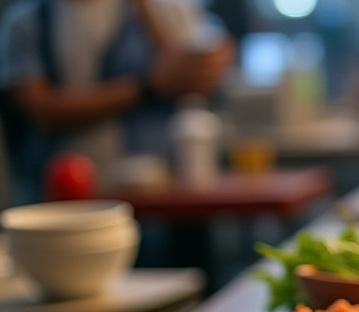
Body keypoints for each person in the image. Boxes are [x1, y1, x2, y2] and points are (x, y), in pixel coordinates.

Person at [0, 0, 230, 203]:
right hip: (57, 196)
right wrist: (147, 87)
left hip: (156, 195)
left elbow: (199, 72)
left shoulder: (163, 11)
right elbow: (43, 110)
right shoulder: (28, 21)